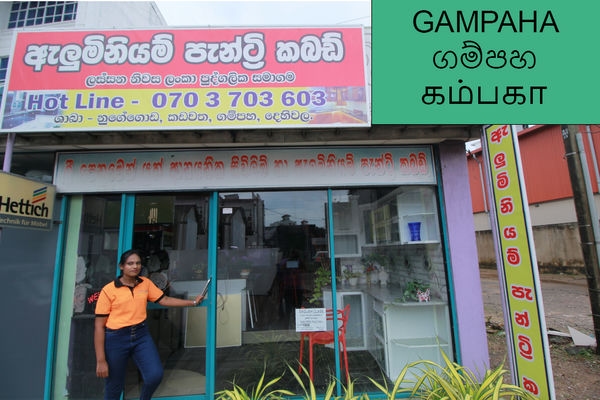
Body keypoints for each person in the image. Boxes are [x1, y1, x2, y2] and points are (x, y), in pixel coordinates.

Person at [94, 249, 207, 400]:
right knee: (114, 385)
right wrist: (101, 360)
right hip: (116, 339)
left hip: (141, 335)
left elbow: (164, 300)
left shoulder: (145, 283)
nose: (135, 266)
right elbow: (99, 327)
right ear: (122, 266)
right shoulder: (108, 290)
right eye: (130, 263)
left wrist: (192, 302)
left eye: (138, 263)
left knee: (154, 375)